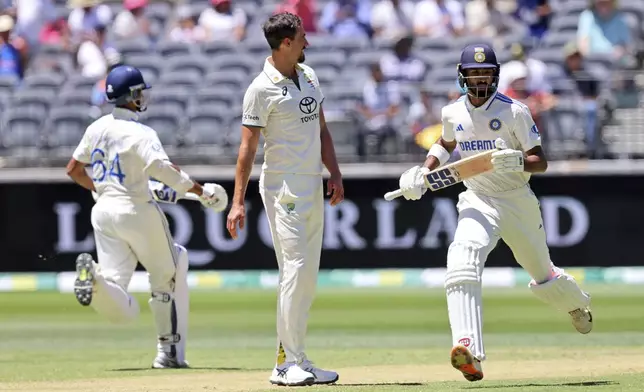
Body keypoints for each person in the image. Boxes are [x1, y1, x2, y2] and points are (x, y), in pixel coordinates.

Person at [396, 44, 593, 382]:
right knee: (461, 261)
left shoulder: (515, 111)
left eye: (485, 72)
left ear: (495, 74)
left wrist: (517, 160)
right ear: (462, 76)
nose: (480, 79)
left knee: (542, 274)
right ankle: (468, 348)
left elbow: (540, 161)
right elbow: (445, 145)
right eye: (474, 73)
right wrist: (422, 171)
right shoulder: (452, 112)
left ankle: (576, 305)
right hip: (478, 197)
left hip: (516, 200)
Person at [65, 65, 228, 369]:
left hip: (102, 212)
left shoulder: (96, 127)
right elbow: (163, 170)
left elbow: (73, 169)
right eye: (140, 92)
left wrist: (98, 188)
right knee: (172, 270)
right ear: (133, 96)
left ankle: (96, 281)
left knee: (116, 289)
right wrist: (200, 190)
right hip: (136, 210)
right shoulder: (141, 133)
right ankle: (169, 353)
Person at [226, 12, 343, 387]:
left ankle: (298, 358)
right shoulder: (261, 88)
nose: (308, 42)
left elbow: (322, 129)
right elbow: (247, 149)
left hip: (311, 183)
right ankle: (283, 364)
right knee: (293, 270)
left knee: (306, 277)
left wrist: (335, 173)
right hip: (282, 187)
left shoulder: (309, 76)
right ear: (286, 43)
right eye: (303, 37)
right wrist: (237, 202)